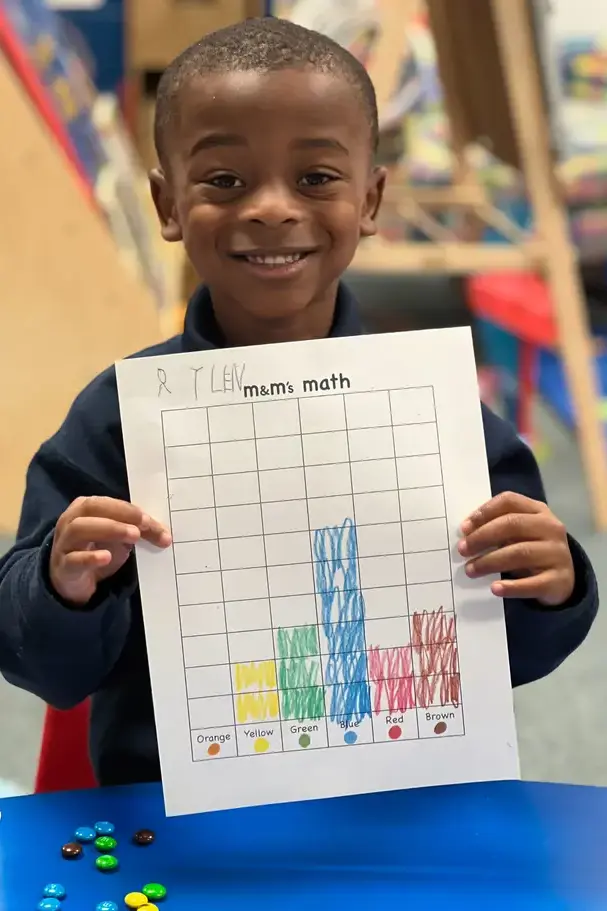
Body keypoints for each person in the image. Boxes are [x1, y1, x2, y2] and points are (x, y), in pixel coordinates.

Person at [0, 17, 598, 788]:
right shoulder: (117, 419)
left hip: (401, 802)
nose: (272, 208)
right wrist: (60, 582)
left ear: (371, 197)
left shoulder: (436, 412)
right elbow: (38, 657)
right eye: (223, 181)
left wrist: (556, 585)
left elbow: (503, 650)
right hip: (179, 816)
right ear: (167, 203)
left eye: (315, 178)